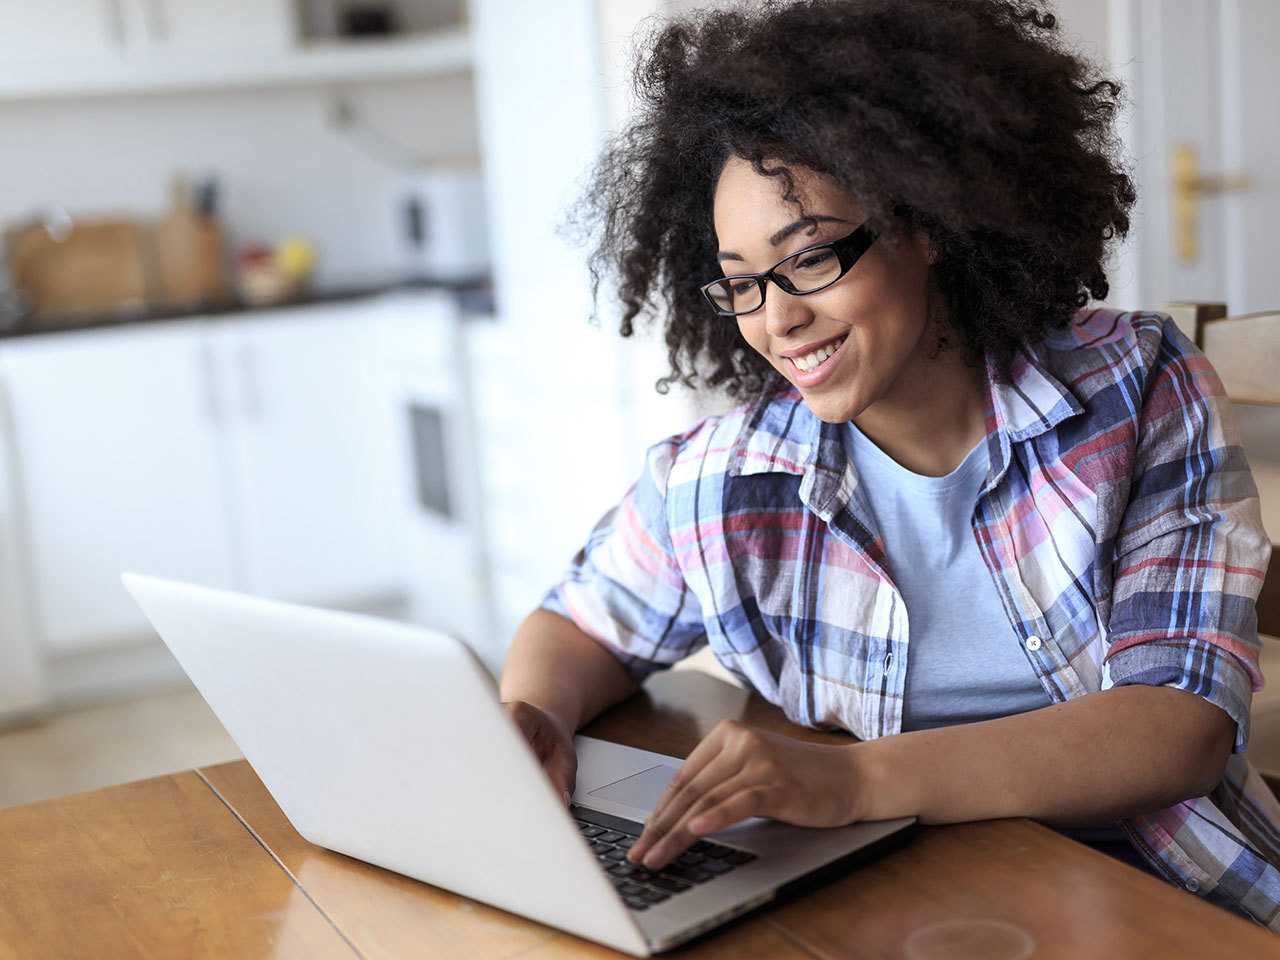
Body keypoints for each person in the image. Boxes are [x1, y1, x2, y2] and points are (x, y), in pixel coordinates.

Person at [497, 0, 1280, 928]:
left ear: (926, 221)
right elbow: (579, 624)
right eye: (741, 280)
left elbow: (1174, 727)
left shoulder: (1135, 386)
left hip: (1165, 896)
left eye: (812, 258)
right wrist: (531, 722)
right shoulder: (724, 477)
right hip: (900, 897)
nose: (774, 318)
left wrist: (854, 779)